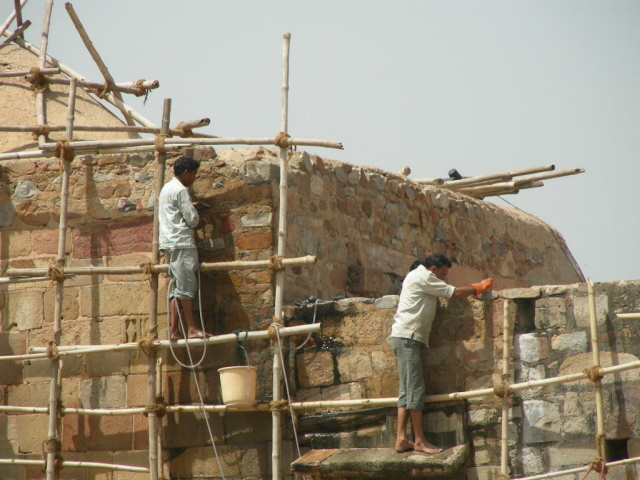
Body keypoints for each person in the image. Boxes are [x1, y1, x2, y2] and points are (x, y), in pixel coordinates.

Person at [389, 253, 493, 454]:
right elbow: (453, 293)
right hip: (407, 338)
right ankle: (419, 440)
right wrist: (479, 287)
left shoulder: (418, 277)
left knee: (406, 391)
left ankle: (401, 439)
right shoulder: (423, 277)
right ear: (433, 269)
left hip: (405, 337)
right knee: (415, 390)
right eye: (442, 273)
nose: (443, 277)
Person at [159, 156, 214, 341]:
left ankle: (174, 330)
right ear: (186, 173)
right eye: (194, 174)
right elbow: (192, 221)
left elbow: (176, 212)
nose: (194, 178)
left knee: (177, 289)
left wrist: (191, 206)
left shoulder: (167, 188)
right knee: (186, 288)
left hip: (170, 243)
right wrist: (206, 220)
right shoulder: (181, 190)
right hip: (181, 243)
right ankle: (191, 328)